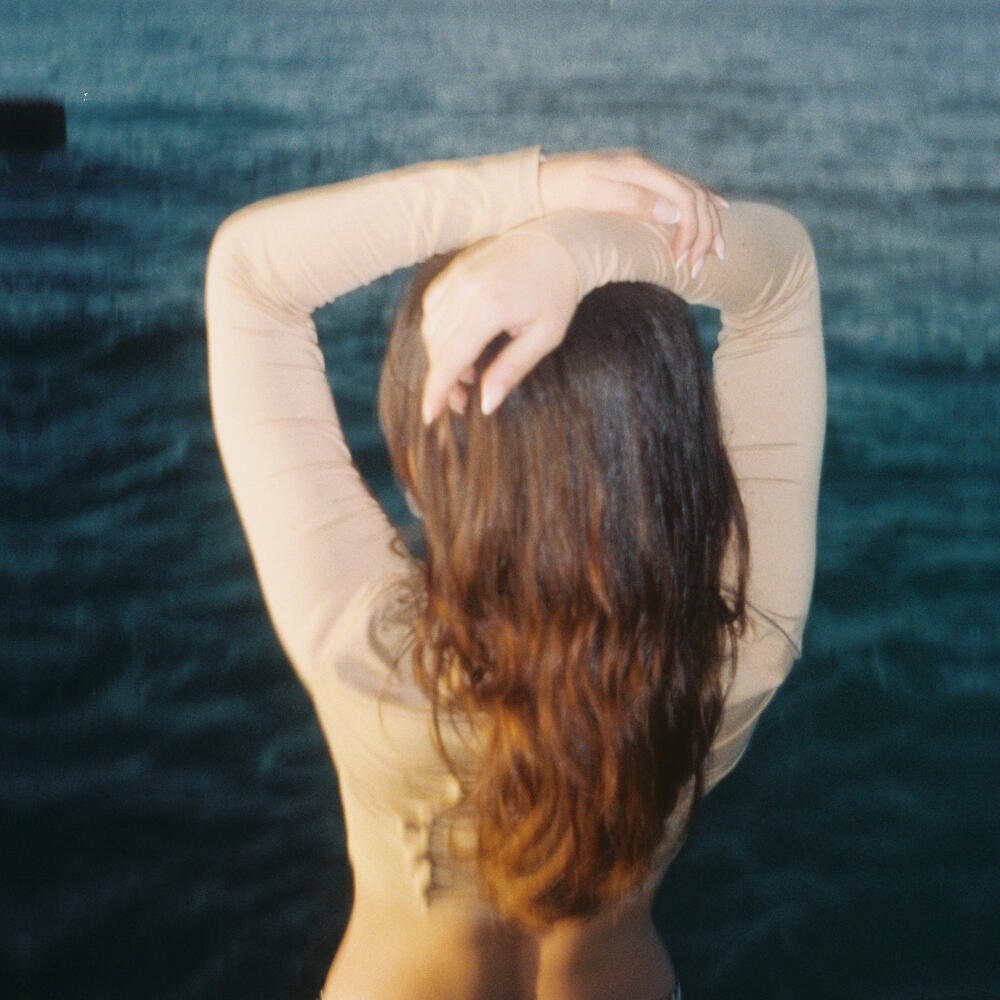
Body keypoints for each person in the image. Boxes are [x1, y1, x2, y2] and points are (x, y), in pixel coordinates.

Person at [205, 148, 825, 1000]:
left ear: (427, 466)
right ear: (674, 448)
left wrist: (537, 187)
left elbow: (251, 272)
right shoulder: (743, 652)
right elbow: (782, 273)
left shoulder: (368, 656)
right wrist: (576, 252)